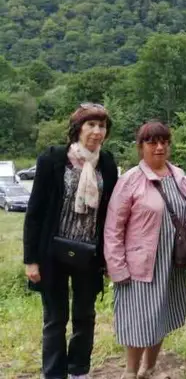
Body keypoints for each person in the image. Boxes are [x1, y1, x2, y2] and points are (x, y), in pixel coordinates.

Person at [23, 104, 118, 379]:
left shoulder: (107, 163)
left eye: (102, 127)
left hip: (89, 253)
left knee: (84, 316)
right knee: (55, 318)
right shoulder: (53, 159)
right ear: (78, 128)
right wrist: (31, 259)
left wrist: (109, 257)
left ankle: (79, 370)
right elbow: (36, 211)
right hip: (52, 251)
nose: (97, 132)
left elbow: (110, 212)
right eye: (91, 125)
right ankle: (53, 373)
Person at [104, 121, 186, 379]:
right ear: (141, 146)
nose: (159, 147)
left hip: (171, 261)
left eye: (164, 141)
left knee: (161, 315)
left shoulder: (177, 175)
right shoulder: (130, 180)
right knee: (139, 321)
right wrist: (117, 268)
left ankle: (150, 366)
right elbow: (113, 229)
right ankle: (130, 371)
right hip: (140, 265)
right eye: (152, 142)